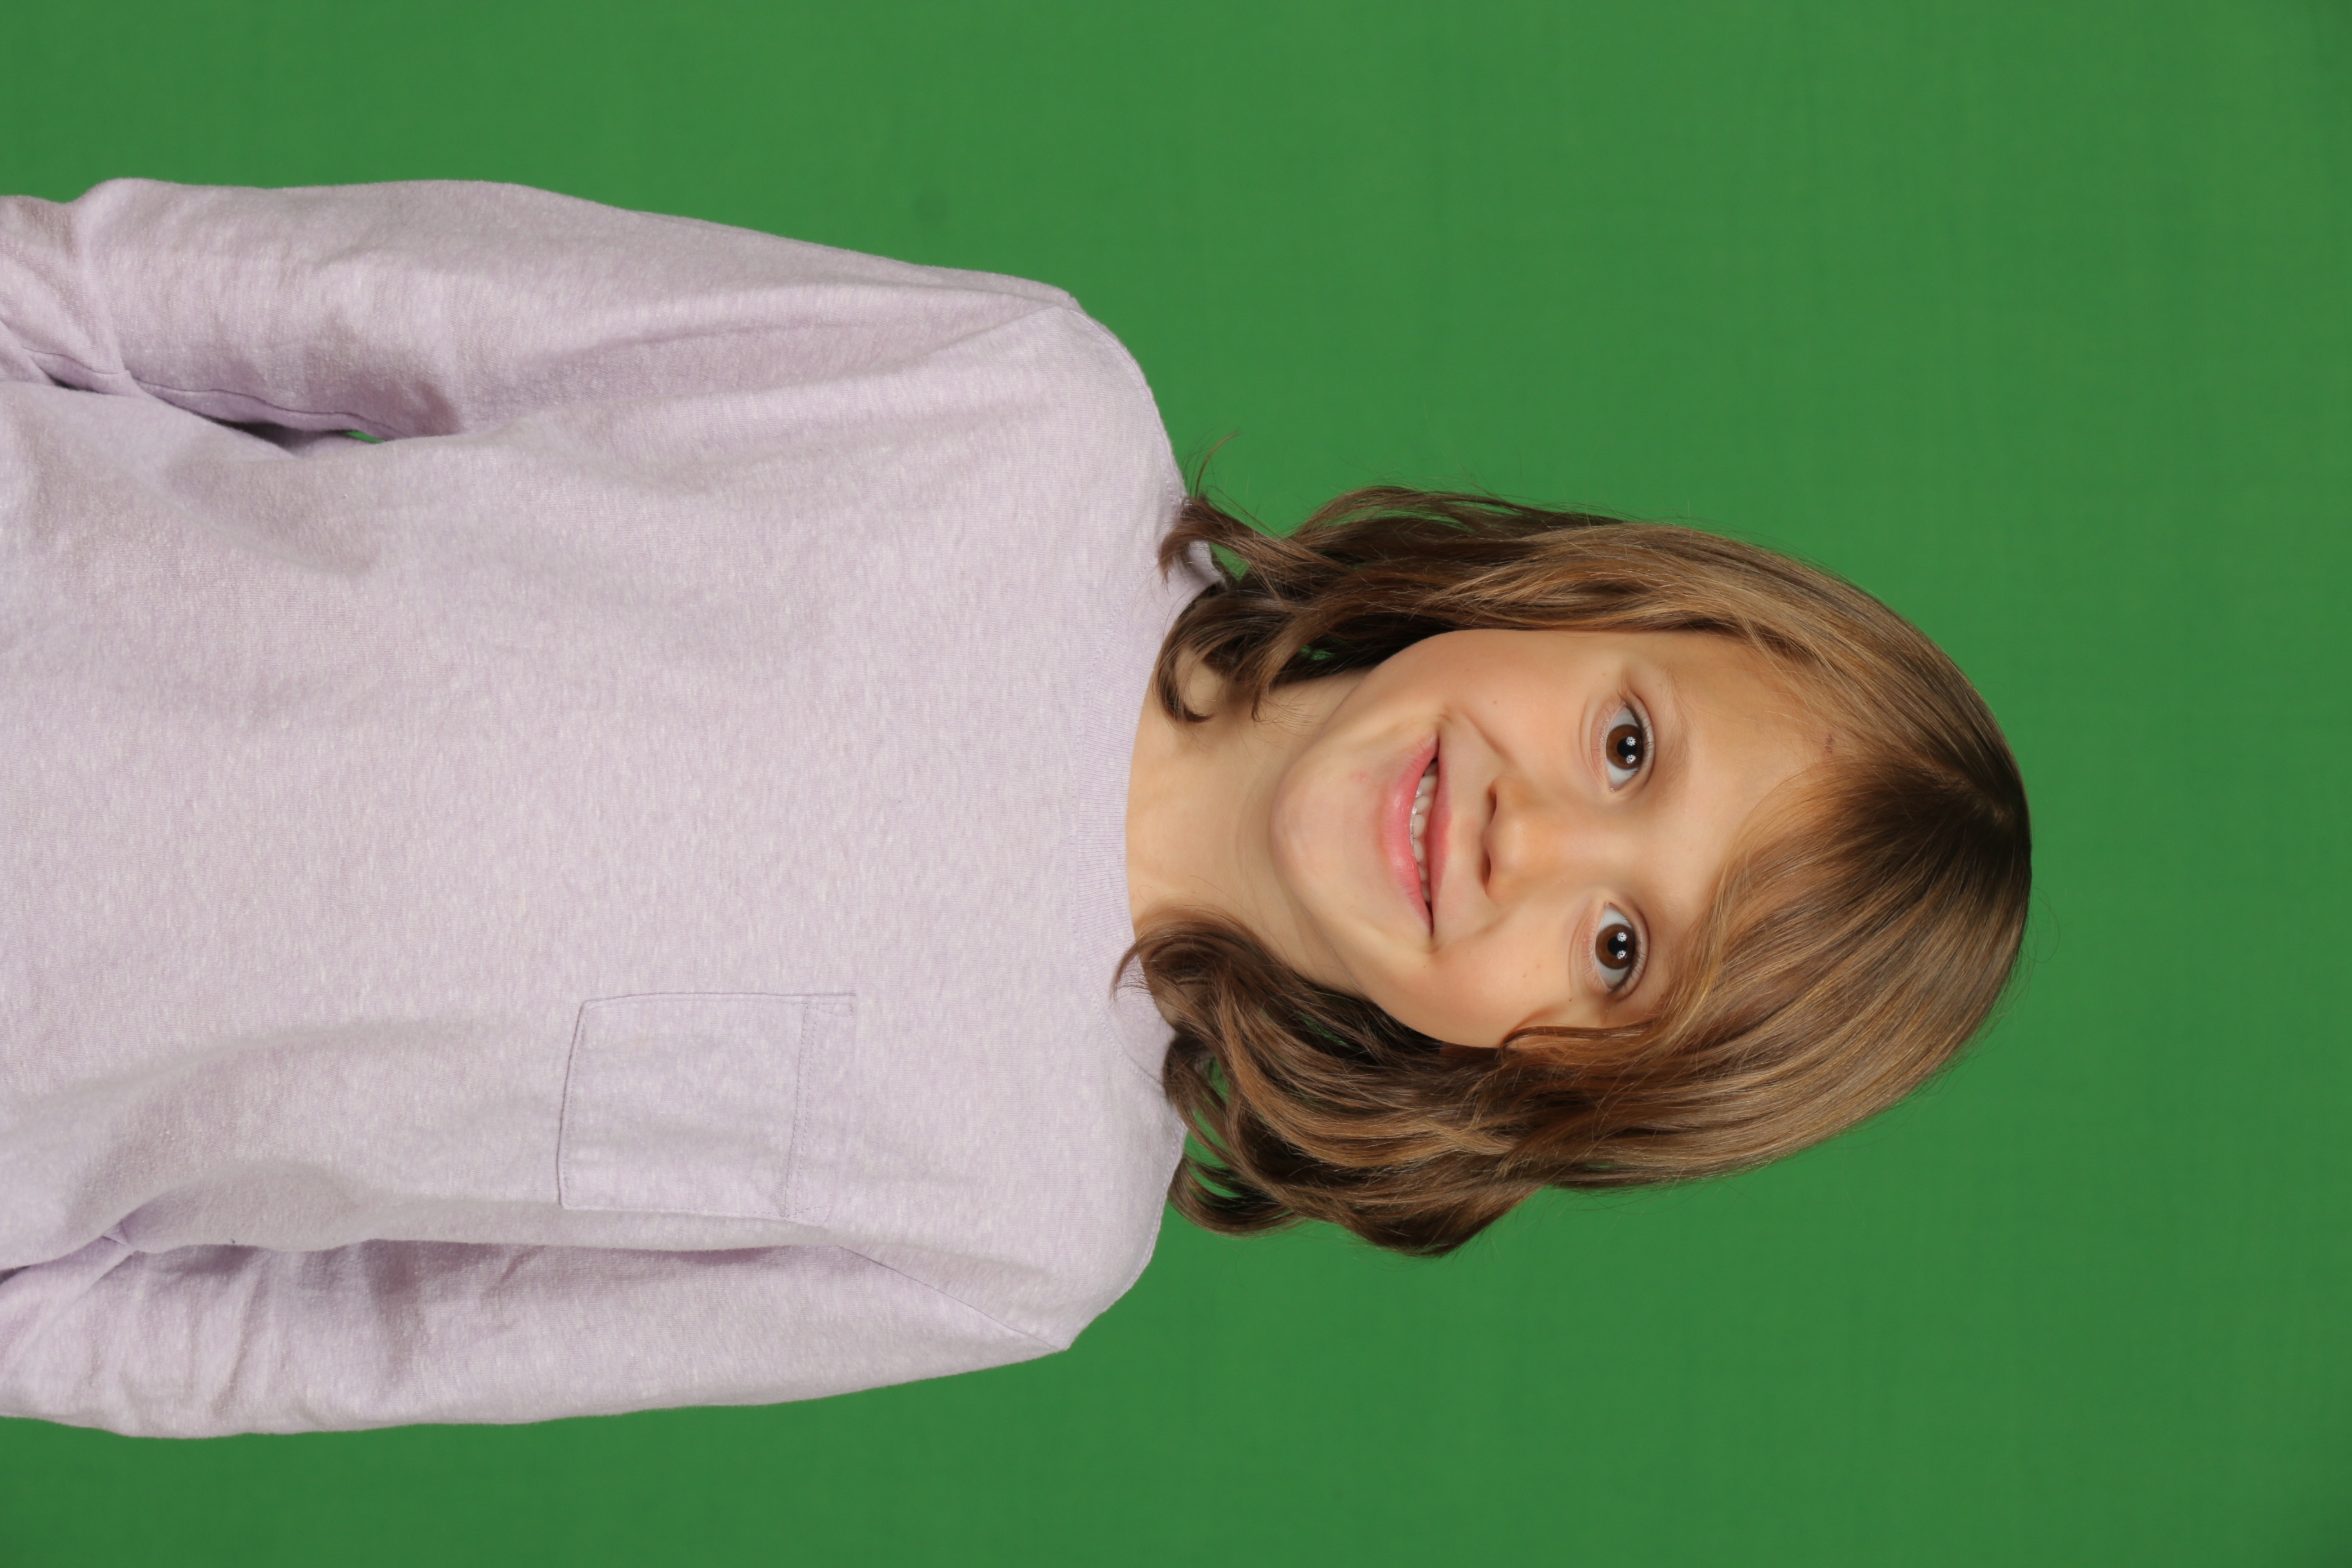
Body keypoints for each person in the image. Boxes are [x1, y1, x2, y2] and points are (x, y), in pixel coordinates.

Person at [0, 179, 2029, 1437]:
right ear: (1575, 601)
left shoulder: (1017, 1234)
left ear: (1542, 1086)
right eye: (1630, 748)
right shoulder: (1022, 419)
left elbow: (387, 1342)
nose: (1539, 842)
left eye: (1620, 945)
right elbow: (365, 303)